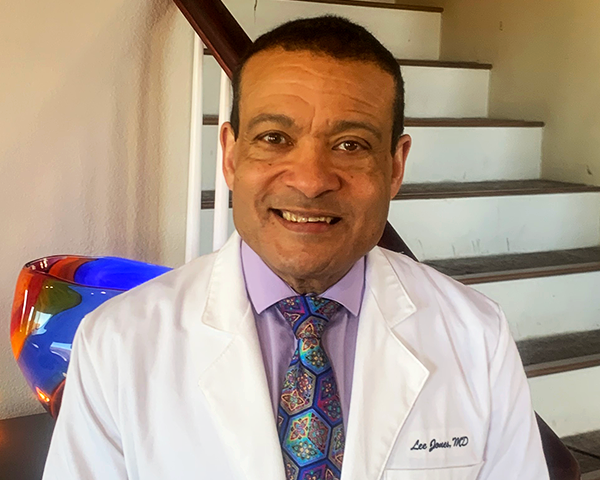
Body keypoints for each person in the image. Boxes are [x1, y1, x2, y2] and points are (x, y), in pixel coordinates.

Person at [42, 16, 550, 480]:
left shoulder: (477, 335)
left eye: (350, 144)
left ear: (395, 166)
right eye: (274, 138)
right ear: (230, 155)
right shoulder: (117, 342)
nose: (310, 181)